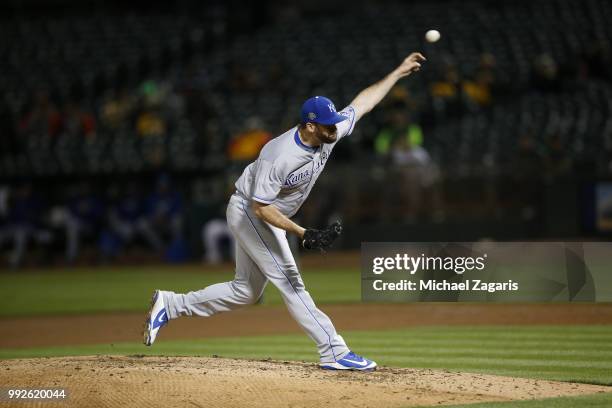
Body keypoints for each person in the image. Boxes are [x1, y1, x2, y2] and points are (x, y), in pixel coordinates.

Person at [143, 52, 426, 371]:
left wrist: (397, 72)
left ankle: (171, 304)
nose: (334, 130)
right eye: (327, 126)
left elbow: (364, 103)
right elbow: (260, 207)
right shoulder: (278, 155)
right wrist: (304, 233)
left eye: (334, 124)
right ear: (309, 125)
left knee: (245, 291)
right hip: (251, 212)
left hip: (266, 214)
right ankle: (333, 349)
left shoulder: (328, 134)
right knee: (291, 280)